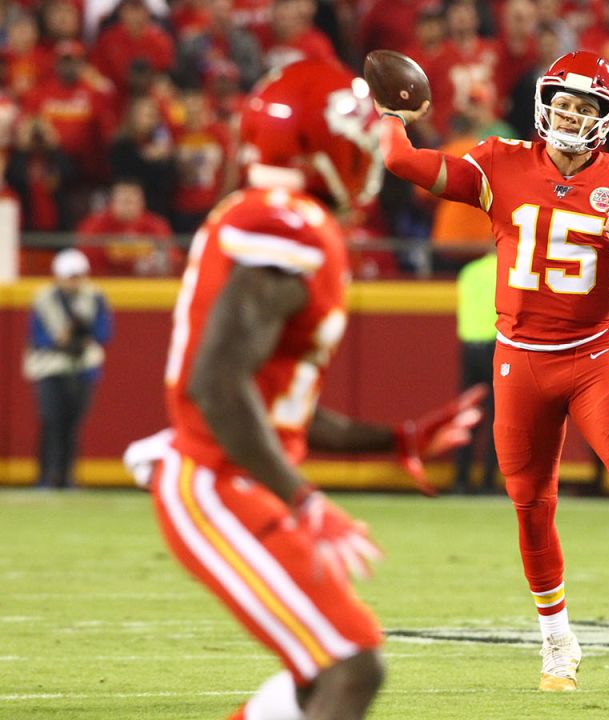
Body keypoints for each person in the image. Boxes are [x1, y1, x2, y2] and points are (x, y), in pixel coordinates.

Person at [379, 49, 609, 692]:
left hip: (591, 357)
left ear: (605, 117)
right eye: (564, 102)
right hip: (520, 361)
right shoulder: (499, 162)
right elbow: (400, 160)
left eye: (586, 106)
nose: (572, 113)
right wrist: (388, 114)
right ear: (544, 103)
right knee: (530, 504)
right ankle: (557, 640)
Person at [136, 59, 483, 720]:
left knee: (317, 674)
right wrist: (303, 499)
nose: (366, 157)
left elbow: (279, 406)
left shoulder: (281, 216)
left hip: (234, 477)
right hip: (215, 482)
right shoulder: (284, 226)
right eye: (355, 140)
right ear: (320, 148)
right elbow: (216, 385)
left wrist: (397, 439)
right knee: (350, 665)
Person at [24, 248, 111, 489]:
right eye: (70, 276)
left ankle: (67, 477)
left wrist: (83, 339)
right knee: (51, 421)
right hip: (50, 366)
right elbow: (37, 336)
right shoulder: (44, 298)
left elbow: (103, 332)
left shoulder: (94, 297)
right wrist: (59, 340)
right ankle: (46, 476)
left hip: (83, 366)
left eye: (78, 276)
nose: (74, 281)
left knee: (73, 424)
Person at [454, 252, 499, 494]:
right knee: (497, 417)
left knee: (466, 417)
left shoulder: (469, 271)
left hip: (468, 347)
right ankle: (488, 482)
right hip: (495, 347)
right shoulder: (509, 267)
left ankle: (460, 479)